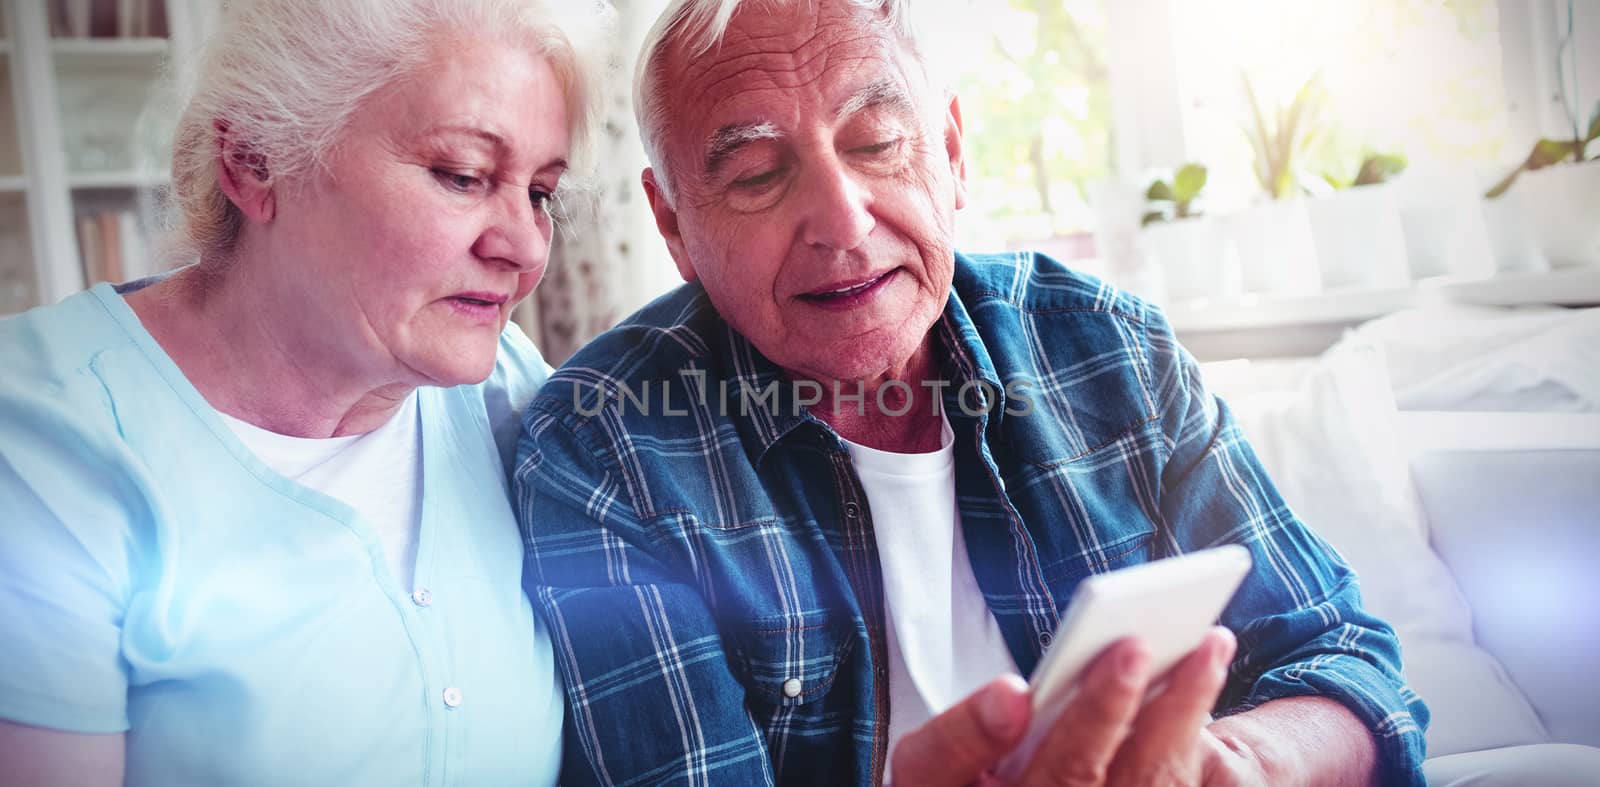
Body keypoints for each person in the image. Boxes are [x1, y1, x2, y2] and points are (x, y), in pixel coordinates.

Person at [514, 0, 1429, 785]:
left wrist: (1241, 763)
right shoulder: (604, 446)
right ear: (674, 227)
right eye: (757, 175)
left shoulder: (1109, 350)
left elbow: (1346, 663)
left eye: (877, 143)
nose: (842, 219)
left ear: (951, 153)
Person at [0, 0, 610, 784]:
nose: (525, 246)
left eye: (540, 193)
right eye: (462, 176)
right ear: (255, 161)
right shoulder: (42, 440)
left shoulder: (507, 388)